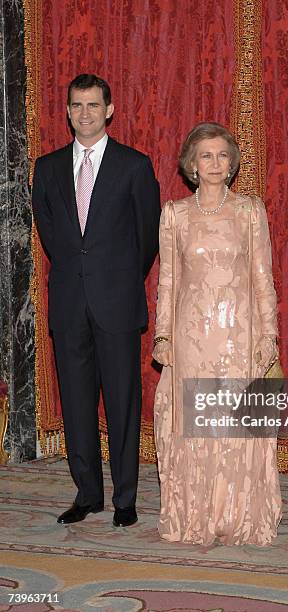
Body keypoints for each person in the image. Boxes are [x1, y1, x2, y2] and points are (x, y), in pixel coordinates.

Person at [32, 74, 160, 527]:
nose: (84, 113)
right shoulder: (46, 168)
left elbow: (147, 238)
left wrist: (118, 279)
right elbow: (52, 236)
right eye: (76, 105)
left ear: (109, 110)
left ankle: (125, 498)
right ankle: (88, 494)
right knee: (77, 402)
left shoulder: (134, 165)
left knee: (123, 401)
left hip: (118, 302)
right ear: (66, 111)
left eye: (92, 105)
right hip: (68, 303)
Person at [152, 122, 282, 545]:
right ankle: (198, 516)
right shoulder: (174, 213)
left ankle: (240, 515)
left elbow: (263, 277)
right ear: (192, 163)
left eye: (222, 155)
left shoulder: (249, 210)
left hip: (239, 334)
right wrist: (164, 336)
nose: (213, 163)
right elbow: (167, 281)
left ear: (232, 163)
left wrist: (269, 334)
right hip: (192, 335)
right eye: (205, 155)